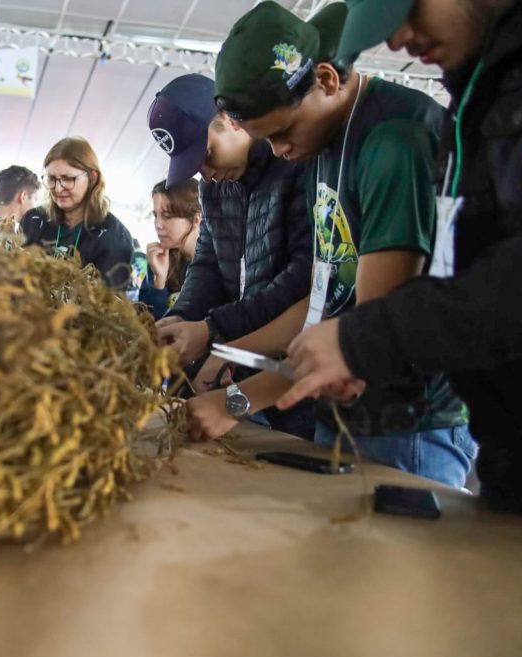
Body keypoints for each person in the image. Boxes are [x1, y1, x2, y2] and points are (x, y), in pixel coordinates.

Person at [278, 0, 522, 521]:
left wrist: (373, 337)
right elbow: (468, 272)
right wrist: (379, 355)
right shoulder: (482, 86)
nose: (397, 40)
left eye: (409, 9)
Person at [186, 1, 476, 489]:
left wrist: (236, 401)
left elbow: (367, 324)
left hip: (408, 428)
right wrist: (227, 347)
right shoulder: (321, 145)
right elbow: (325, 296)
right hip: (341, 412)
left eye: (282, 132)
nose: (280, 151)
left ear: (325, 80)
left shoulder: (393, 144)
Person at [147, 72, 315, 439]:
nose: (207, 174)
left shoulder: (296, 167)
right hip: (248, 380)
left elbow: (303, 281)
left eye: (207, 155)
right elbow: (207, 266)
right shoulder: (214, 190)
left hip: (296, 380)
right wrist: (177, 318)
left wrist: (215, 333)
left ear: (231, 122)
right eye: (195, 167)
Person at [22, 137, 133, 290]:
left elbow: (108, 306)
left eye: (68, 179)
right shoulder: (34, 220)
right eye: (52, 179)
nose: (58, 188)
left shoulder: (114, 237)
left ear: (93, 178)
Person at [139, 178, 201, 320]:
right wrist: (159, 281)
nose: (158, 225)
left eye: (167, 216)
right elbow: (143, 326)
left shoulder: (216, 265)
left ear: (196, 219)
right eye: (155, 215)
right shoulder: (156, 262)